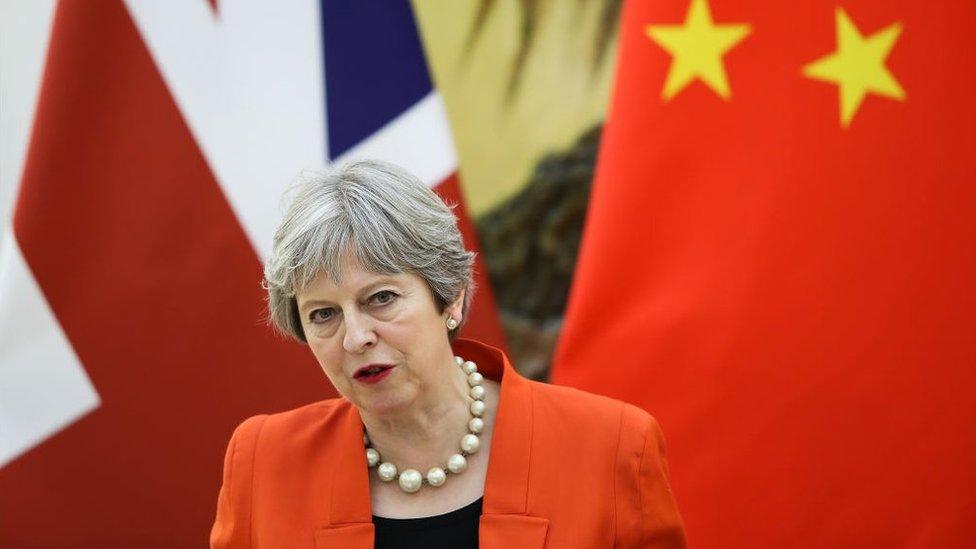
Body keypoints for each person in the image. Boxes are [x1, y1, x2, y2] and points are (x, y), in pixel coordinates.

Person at [210, 160, 686, 548]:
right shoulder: (263, 463)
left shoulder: (613, 446)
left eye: (381, 298)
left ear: (451, 296)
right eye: (322, 314)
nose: (355, 337)